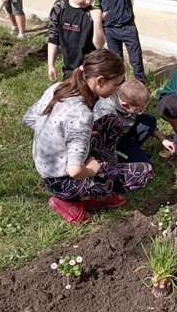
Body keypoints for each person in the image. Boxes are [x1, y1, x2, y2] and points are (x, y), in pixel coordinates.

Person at [23, 49, 154, 225]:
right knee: (144, 172)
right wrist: (91, 170)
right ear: (100, 81)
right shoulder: (81, 115)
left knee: (111, 123)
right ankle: (72, 200)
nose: (118, 89)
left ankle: (97, 186)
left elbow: (29, 118)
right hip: (64, 182)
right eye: (116, 84)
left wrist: (60, 136)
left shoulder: (57, 88)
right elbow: (75, 171)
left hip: (49, 169)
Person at [93, 79, 175, 164]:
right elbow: (106, 145)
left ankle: (133, 150)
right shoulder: (107, 114)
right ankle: (126, 157)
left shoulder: (126, 97)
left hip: (123, 133)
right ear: (125, 105)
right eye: (139, 110)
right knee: (145, 164)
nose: (141, 112)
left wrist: (163, 139)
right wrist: (114, 164)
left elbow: (147, 123)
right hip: (111, 145)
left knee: (149, 120)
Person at [47, 0, 105, 82]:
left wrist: (98, 22)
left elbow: (99, 46)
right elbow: (53, 38)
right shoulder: (58, 9)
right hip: (68, 71)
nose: (88, 1)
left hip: (90, 72)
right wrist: (51, 64)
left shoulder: (92, 14)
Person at [96, 0, 145, 83]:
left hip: (127, 26)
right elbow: (96, 6)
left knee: (136, 59)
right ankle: (119, 85)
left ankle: (141, 83)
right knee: (116, 61)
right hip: (110, 29)